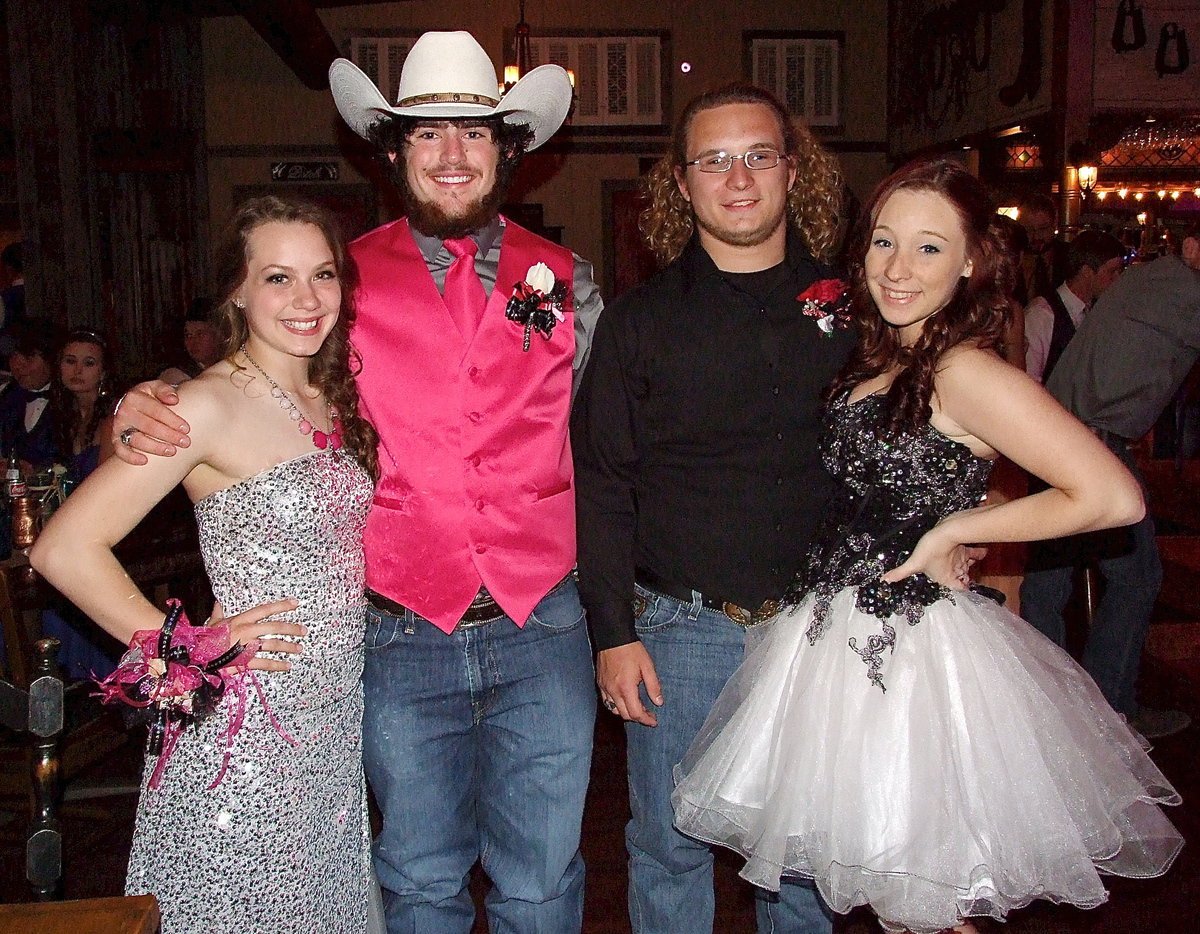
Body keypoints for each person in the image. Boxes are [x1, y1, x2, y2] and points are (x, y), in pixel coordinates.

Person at [110, 30, 603, 934]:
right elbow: (259, 381)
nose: (452, 156)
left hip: (546, 627)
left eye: (474, 135)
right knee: (418, 880)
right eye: (425, 135)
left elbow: (620, 442)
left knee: (541, 883)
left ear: (508, 151)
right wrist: (164, 392)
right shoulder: (337, 285)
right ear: (393, 150)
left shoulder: (576, 284)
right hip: (402, 633)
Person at [669, 158, 1183, 934]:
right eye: (883, 242)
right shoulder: (886, 357)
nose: (897, 268)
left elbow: (1113, 495)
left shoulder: (964, 369)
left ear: (972, 261)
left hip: (913, 660)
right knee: (895, 901)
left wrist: (958, 528)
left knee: (929, 901)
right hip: (834, 645)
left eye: (929, 248)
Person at [31, 195, 380, 934]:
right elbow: (62, 548)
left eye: (323, 274)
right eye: (278, 278)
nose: (307, 298)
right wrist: (180, 647)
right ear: (237, 292)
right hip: (244, 734)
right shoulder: (204, 405)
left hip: (332, 724)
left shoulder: (333, 395)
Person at [572, 83, 852, 933]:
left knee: (803, 859)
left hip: (815, 634)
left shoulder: (849, 310)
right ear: (683, 183)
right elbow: (603, 483)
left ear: (791, 170)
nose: (739, 178)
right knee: (668, 847)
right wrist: (614, 633)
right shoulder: (637, 322)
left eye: (759, 155)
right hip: (677, 632)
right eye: (715, 160)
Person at [1022, 222, 1200, 740]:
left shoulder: (1152, 280)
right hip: (1090, 444)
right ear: (1191, 247)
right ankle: (1107, 714)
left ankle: (1054, 712)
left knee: (1049, 584)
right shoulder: (1180, 288)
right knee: (1133, 578)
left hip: (1066, 436)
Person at [1023, 229, 1125, 383]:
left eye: (1120, 271)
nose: (1118, 279)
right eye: (1112, 272)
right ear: (1086, 272)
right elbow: (1029, 380)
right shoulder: (1041, 315)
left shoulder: (1100, 312)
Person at [51, 328, 117, 481]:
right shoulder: (62, 410)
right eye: (70, 361)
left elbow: (106, 483)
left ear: (103, 373)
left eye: (88, 363)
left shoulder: (114, 415)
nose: (77, 370)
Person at [0, 319, 59, 471]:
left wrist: (37, 470)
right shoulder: (6, 397)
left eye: (29, 357)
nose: (18, 366)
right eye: (13, 357)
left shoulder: (72, 401)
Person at [159, 297, 224, 385]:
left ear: (219, 335)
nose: (193, 342)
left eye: (200, 334)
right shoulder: (175, 376)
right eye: (188, 335)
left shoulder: (228, 368)